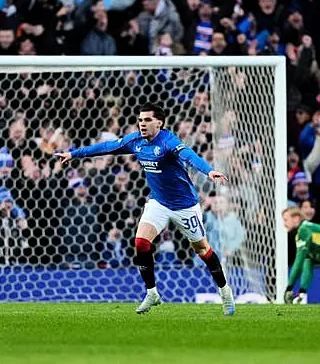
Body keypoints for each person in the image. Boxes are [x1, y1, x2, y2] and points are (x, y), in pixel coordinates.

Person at [55, 103, 235, 315]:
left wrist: (209, 171)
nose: (142, 123)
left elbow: (189, 156)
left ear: (159, 122)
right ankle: (152, 293)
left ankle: (225, 292)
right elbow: (106, 147)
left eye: (147, 120)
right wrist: (74, 154)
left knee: (202, 250)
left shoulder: (168, 141)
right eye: (140, 120)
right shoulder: (136, 142)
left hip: (184, 205)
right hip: (158, 202)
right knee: (141, 242)